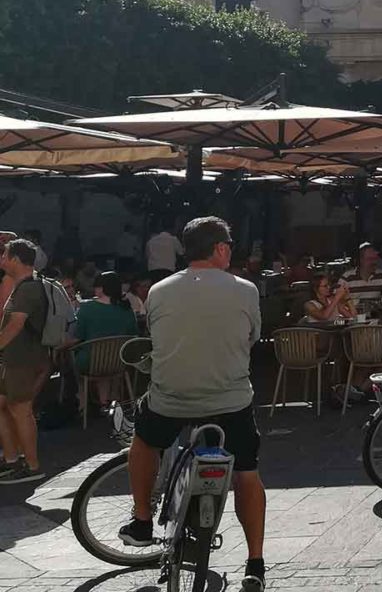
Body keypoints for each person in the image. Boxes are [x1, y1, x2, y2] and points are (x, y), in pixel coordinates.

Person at [119, 216, 267, 592]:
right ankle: (255, 562)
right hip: (230, 401)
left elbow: (156, 336)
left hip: (172, 399)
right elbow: (252, 338)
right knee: (247, 473)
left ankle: (140, 518)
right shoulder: (246, 289)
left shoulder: (159, 290)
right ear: (220, 249)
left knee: (145, 440)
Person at [0, 239, 50, 484]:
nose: (2, 261)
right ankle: (12, 460)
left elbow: (15, 325)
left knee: (22, 411)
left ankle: (32, 466)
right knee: (7, 407)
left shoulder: (29, 288)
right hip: (14, 359)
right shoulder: (23, 286)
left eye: (5, 256)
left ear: (16, 260)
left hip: (23, 360)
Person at [68, 270, 139, 413]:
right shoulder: (127, 309)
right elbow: (134, 335)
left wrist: (60, 347)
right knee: (105, 357)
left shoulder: (87, 309)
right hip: (119, 362)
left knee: (73, 359)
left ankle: (82, 401)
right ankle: (105, 401)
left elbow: (77, 337)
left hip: (91, 363)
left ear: (101, 288)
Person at [339, 243, 382, 313]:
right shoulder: (347, 277)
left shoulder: (381, 275)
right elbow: (337, 301)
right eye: (370, 259)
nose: (374, 262)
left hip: (375, 318)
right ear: (361, 260)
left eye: (375, 259)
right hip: (352, 317)